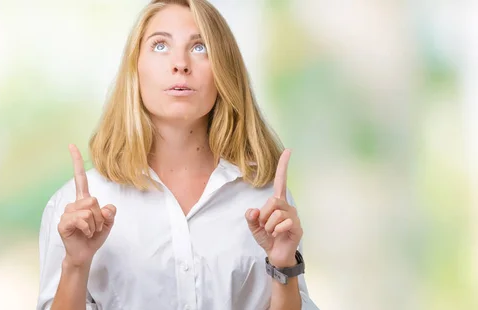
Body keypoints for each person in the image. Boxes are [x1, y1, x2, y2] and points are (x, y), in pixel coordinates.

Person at [36, 0, 318, 309]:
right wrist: (76, 265)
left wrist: (283, 267)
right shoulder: (78, 208)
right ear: (135, 69)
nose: (180, 64)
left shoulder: (267, 203)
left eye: (200, 47)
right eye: (160, 46)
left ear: (224, 69)